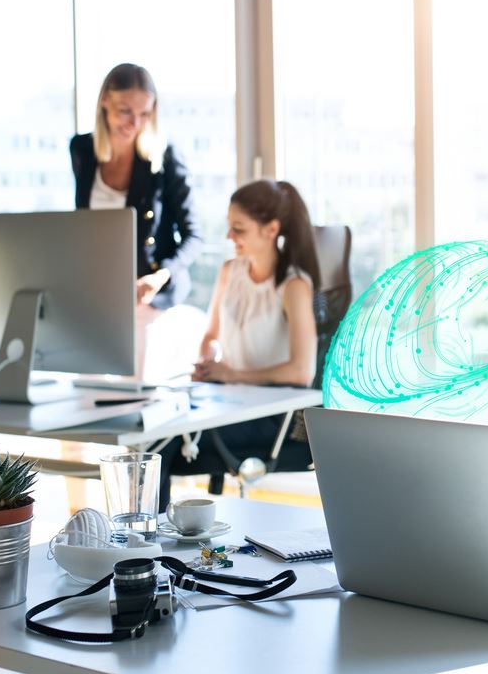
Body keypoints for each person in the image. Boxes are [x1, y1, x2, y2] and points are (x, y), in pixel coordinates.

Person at [176, 179, 321, 496]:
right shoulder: (230, 271)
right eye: (229, 226)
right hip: (225, 401)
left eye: (238, 229)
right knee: (156, 433)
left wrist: (233, 374)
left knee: (166, 445)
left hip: (267, 417)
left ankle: (144, 540)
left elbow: (301, 371)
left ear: (271, 230)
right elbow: (211, 335)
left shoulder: (293, 286)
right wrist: (209, 360)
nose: (229, 236)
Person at [70, 63, 201, 377]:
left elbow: (194, 235)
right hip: (100, 289)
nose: (135, 122)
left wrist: (160, 277)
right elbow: (83, 225)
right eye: (125, 111)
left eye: (145, 114)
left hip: (150, 290)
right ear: (104, 103)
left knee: (135, 390)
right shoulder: (83, 150)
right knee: (87, 386)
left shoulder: (164, 157)